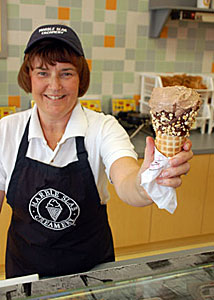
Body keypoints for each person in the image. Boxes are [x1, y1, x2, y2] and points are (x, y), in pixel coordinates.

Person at [0, 24, 192, 279]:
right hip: (25, 276)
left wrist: (149, 179)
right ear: (29, 77)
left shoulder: (103, 128)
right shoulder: (7, 130)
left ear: (80, 78)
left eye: (66, 73)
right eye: (43, 73)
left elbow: (127, 182)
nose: (54, 86)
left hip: (92, 276)